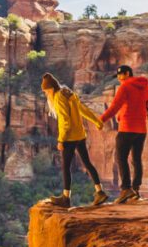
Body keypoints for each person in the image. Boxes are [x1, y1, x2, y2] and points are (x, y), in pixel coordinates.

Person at [41, 73, 108, 208]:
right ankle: (100, 191)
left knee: (66, 166)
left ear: (52, 88)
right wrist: (97, 121)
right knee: (87, 163)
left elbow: (65, 121)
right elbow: (83, 109)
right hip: (80, 135)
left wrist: (61, 140)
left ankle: (66, 198)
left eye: (47, 91)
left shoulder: (58, 97)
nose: (46, 94)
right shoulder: (68, 92)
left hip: (69, 137)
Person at [100, 64, 148, 203]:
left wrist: (101, 120)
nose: (118, 78)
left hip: (127, 128)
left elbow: (114, 107)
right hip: (141, 130)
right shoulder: (145, 86)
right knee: (136, 159)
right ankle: (136, 190)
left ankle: (126, 189)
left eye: (120, 75)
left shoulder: (125, 86)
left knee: (120, 157)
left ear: (127, 73)